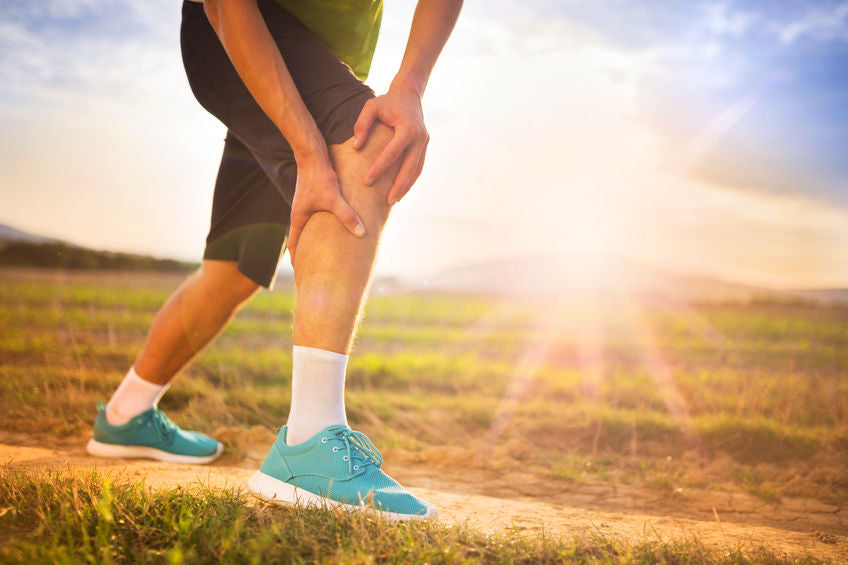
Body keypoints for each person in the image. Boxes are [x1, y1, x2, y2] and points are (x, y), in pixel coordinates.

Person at [85, 0, 462, 521]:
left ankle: (126, 413)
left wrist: (411, 87)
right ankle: (309, 441)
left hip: (319, 59)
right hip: (239, 38)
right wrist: (309, 155)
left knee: (235, 267)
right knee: (367, 144)